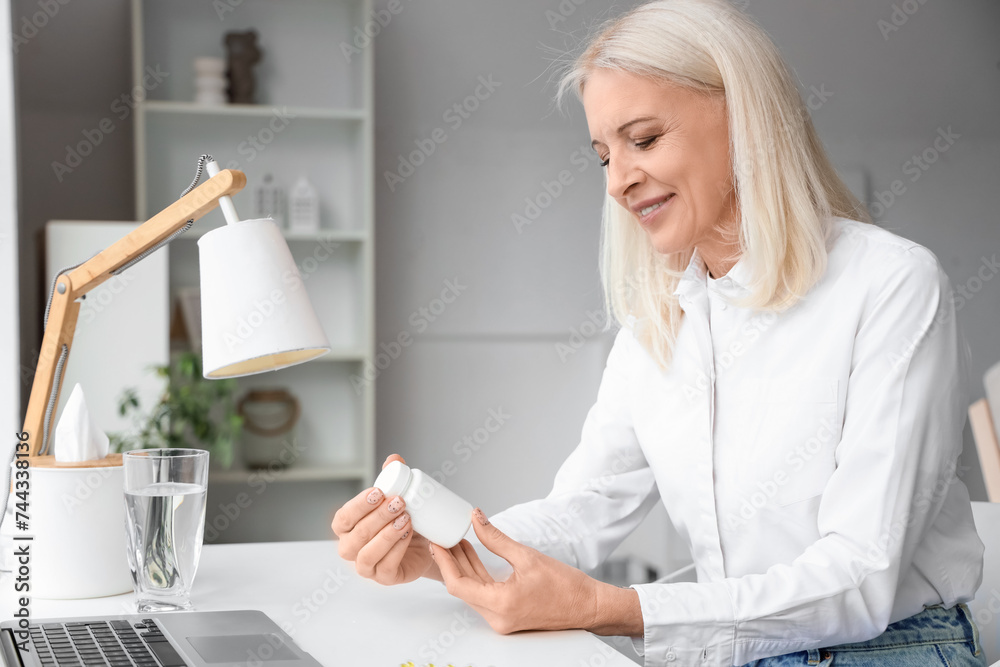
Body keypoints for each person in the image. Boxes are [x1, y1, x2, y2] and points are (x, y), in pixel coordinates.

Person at [332, 1, 988, 664]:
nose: (618, 181)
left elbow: (861, 576)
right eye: (602, 156)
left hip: (891, 649)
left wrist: (607, 609)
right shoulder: (659, 322)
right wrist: (441, 550)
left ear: (744, 118)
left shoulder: (893, 286)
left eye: (643, 139)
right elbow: (580, 513)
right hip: (733, 649)